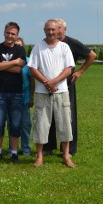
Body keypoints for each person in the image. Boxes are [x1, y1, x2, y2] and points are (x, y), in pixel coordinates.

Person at [43, 18, 97, 156]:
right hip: (48, 85)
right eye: (54, 27)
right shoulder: (47, 42)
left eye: (59, 27)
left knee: (68, 117)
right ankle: (48, 147)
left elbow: (92, 55)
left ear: (64, 29)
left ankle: (68, 150)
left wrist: (80, 71)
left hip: (66, 85)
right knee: (49, 115)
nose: (56, 30)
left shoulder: (72, 43)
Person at [28, 19, 76, 168]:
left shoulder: (64, 48)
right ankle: (39, 157)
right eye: (48, 30)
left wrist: (53, 82)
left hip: (61, 92)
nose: (50, 32)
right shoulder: (38, 47)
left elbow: (69, 69)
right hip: (42, 93)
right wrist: (46, 82)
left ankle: (66, 156)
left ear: (58, 31)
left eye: (53, 30)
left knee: (64, 124)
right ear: (44, 30)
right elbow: (33, 68)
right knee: (41, 125)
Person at [0, 21, 26, 164]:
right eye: (8, 33)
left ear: (17, 36)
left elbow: (18, 69)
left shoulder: (20, 50)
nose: (10, 36)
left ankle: (14, 153)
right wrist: (13, 62)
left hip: (16, 92)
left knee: (15, 124)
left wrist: (0, 66)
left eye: (13, 34)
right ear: (4, 32)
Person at [15, 37, 33, 156]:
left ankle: (26, 148)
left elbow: (32, 80)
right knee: (13, 124)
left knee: (26, 123)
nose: (18, 47)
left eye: (20, 45)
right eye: (16, 45)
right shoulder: (8, 60)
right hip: (11, 96)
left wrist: (31, 97)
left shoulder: (29, 61)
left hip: (24, 96)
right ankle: (13, 149)